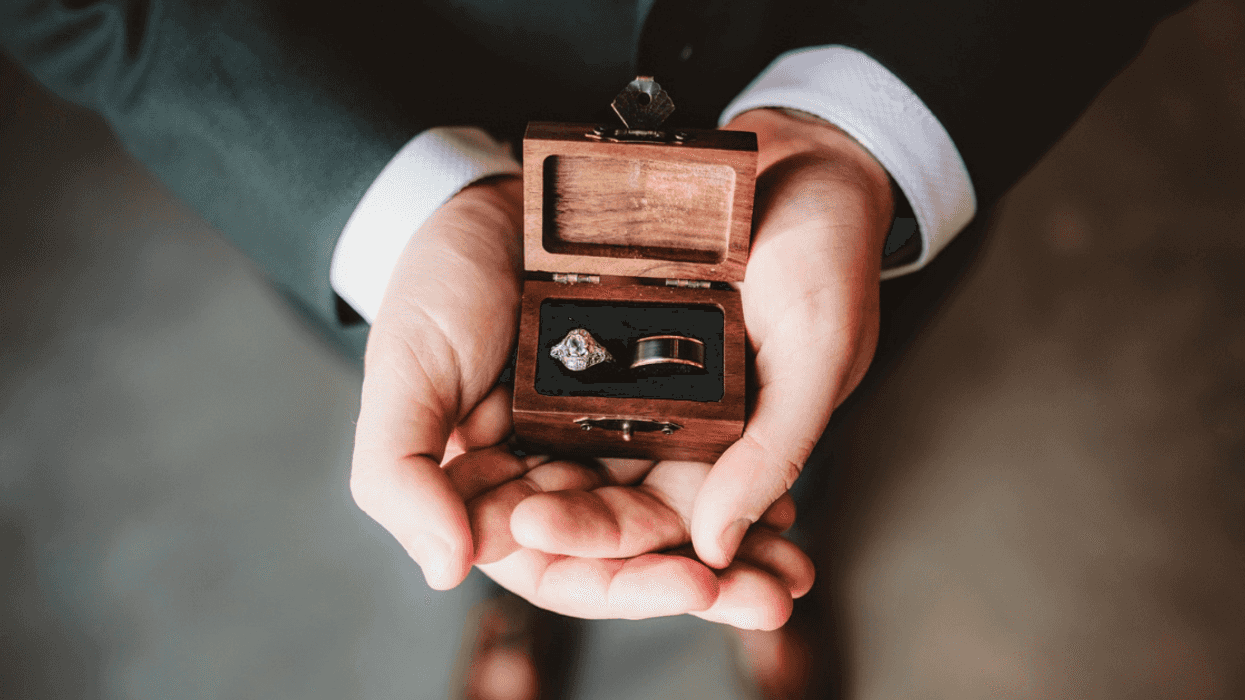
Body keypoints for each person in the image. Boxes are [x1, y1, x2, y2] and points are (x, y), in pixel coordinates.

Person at [0, 0, 1193, 696]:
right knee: (480, 455)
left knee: (798, 411)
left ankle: (774, 546)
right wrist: (395, 205)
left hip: (859, 149)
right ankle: (515, 600)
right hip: (385, 112)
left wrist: (867, 138)